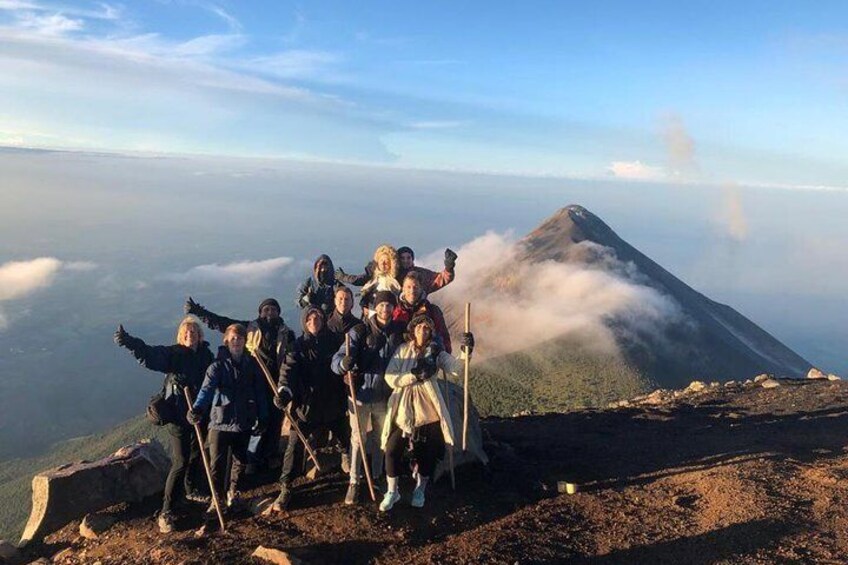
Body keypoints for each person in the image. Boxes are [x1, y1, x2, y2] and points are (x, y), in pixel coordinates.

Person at [113, 317, 215, 534]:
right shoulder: (174, 354)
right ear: (181, 336)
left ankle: (190, 491)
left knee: (197, 454)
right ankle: (166, 510)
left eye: (194, 332)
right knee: (180, 461)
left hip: (199, 415)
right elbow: (151, 355)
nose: (190, 336)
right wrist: (130, 342)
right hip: (179, 416)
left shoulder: (206, 355)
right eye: (186, 333)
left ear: (200, 335)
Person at [185, 296, 295, 470]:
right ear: (260, 312)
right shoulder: (249, 328)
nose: (270, 312)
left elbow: (291, 359)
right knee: (254, 421)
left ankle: (270, 455)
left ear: (279, 313)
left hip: (276, 383)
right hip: (252, 379)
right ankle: (252, 459)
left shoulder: (287, 333)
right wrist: (199, 311)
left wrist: (285, 385)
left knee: (274, 421)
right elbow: (222, 323)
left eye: (273, 309)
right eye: (266, 309)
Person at [379, 314, 474, 512]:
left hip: (428, 411)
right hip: (403, 409)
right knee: (392, 450)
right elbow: (390, 377)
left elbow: (456, 369)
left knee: (426, 454)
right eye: (419, 327)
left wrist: (466, 352)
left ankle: (420, 489)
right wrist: (412, 375)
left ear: (431, 332)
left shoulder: (436, 353)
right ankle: (392, 491)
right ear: (412, 330)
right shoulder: (403, 350)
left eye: (427, 328)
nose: (423, 331)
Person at [272, 307, 350, 511]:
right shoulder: (297, 346)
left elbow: (344, 364)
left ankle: (352, 472)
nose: (314, 321)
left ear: (323, 320)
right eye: (310, 318)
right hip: (306, 406)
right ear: (304, 322)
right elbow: (288, 371)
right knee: (294, 446)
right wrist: (284, 392)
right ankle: (286, 485)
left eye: (317, 318)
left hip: (333, 403)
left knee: (346, 438)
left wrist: (349, 372)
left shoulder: (334, 341)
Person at [331, 290, 406, 504]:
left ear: (394, 308)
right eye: (381, 305)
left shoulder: (399, 332)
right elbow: (337, 358)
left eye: (389, 305)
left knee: (380, 439)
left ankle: (377, 476)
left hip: (385, 396)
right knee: (358, 439)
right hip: (361, 396)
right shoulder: (360, 331)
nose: (385, 309)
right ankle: (354, 481)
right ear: (375, 307)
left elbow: (421, 338)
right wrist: (342, 365)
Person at [188, 323, 268, 522]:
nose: (237, 341)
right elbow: (206, 390)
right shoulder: (217, 366)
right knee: (217, 465)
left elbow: (260, 393)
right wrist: (197, 409)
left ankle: (234, 493)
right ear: (226, 341)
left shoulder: (252, 365)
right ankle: (217, 499)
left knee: (240, 461)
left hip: (243, 422)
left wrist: (263, 415)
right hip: (220, 423)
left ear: (245, 341)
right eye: (233, 338)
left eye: (240, 338)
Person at [393, 271, 452, 353]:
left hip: (427, 359)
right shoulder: (394, 312)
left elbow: (443, 337)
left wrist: (445, 356)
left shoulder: (432, 311)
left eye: (415, 287)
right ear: (403, 288)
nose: (412, 291)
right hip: (400, 360)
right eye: (408, 287)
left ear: (421, 288)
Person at [336, 245, 401, 312]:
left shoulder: (396, 280)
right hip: (371, 311)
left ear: (392, 263)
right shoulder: (371, 276)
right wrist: (343, 277)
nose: (383, 263)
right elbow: (357, 280)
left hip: (390, 312)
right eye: (381, 260)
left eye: (386, 261)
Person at [326, 285, 359, 350]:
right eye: (340, 299)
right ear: (335, 301)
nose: (343, 302)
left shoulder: (358, 325)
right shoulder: (325, 323)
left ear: (352, 302)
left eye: (346, 299)